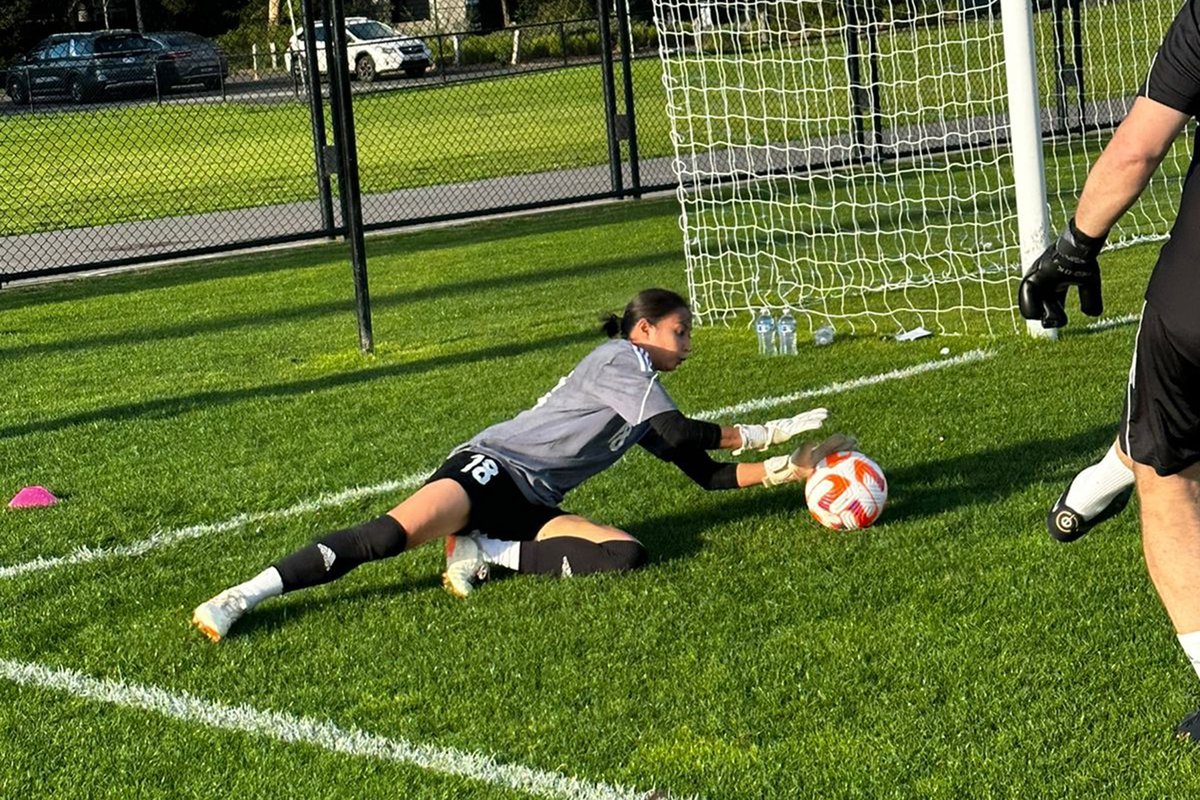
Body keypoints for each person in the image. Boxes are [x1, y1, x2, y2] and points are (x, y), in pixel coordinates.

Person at [192, 288, 853, 643]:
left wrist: (783, 471)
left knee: (624, 554)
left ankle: (489, 549)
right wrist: (767, 430)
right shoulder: (623, 362)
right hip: (491, 469)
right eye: (681, 331)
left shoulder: (644, 394)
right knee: (387, 537)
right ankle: (242, 597)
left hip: (531, 504)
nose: (689, 344)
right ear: (644, 328)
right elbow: (682, 430)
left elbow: (700, 469)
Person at [1018, 0, 1200, 739]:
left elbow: (1138, 149)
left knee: (1172, 480)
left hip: (1194, 310)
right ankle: (1120, 461)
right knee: (1168, 447)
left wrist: (1073, 249)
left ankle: (1123, 463)